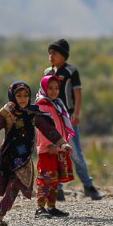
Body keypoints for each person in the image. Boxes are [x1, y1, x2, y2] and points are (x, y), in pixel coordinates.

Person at [0, 81, 72, 226]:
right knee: (6, 186)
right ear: (12, 97)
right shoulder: (8, 112)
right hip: (7, 156)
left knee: (15, 185)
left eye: (26, 95)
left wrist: (62, 143)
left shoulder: (33, 113)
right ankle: (0, 216)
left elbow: (47, 129)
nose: (23, 99)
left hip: (23, 158)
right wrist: (3, 110)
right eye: (19, 96)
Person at [44, 38, 103, 201]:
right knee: (54, 152)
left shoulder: (71, 71)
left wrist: (77, 113)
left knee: (75, 153)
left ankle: (89, 186)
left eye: (54, 53)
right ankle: (58, 189)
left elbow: (77, 93)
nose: (51, 56)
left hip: (68, 118)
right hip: (51, 118)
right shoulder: (48, 73)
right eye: (49, 53)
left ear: (63, 55)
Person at [34, 75, 76, 218]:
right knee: (45, 178)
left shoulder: (57, 104)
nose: (54, 91)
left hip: (58, 147)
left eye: (56, 88)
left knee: (55, 179)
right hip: (48, 148)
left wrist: (62, 144)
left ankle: (52, 207)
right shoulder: (42, 105)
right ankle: (40, 208)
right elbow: (43, 128)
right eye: (50, 88)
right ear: (44, 88)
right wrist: (50, 144)